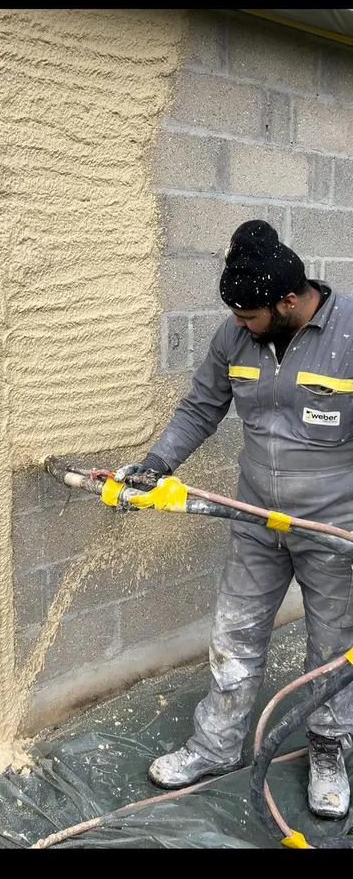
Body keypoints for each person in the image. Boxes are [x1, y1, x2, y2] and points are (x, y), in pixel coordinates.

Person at [115, 220, 353, 820]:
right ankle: (215, 745)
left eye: (249, 316)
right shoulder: (235, 337)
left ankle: (329, 745)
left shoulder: (349, 335)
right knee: (235, 632)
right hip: (257, 522)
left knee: (332, 647)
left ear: (290, 301)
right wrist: (155, 463)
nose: (238, 327)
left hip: (333, 532)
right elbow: (201, 406)